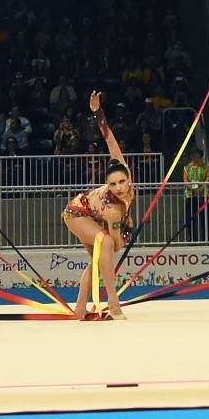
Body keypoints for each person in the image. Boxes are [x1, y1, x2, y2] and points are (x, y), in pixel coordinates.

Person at [62, 92, 134, 320]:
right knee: (105, 248)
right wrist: (122, 226)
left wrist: (98, 113)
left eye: (122, 182)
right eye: (113, 184)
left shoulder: (122, 168)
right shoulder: (111, 208)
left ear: (128, 177)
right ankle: (114, 305)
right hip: (76, 213)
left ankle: (80, 309)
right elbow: (115, 245)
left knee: (97, 262)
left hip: (92, 217)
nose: (119, 188)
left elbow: (110, 140)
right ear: (107, 184)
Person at [182, 148, 209, 243]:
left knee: (205, 217)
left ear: (199, 155)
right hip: (190, 195)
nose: (194, 156)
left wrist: (201, 188)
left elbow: (208, 178)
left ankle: (206, 238)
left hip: (203, 195)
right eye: (192, 154)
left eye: (195, 154)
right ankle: (192, 239)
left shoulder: (205, 166)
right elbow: (185, 181)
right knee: (190, 218)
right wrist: (192, 188)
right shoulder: (187, 167)